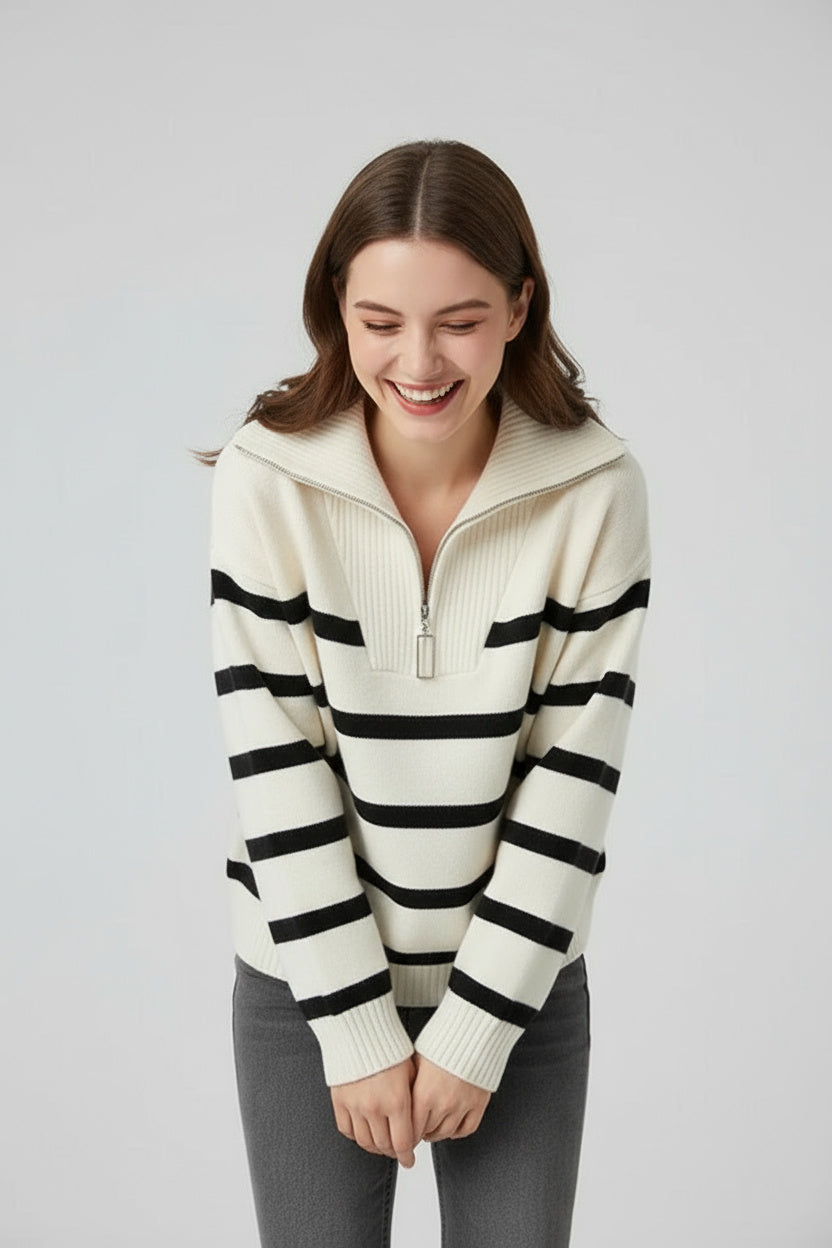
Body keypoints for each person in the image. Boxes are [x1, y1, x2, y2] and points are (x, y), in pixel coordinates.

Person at [201, 138, 651, 1248]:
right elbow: (276, 759)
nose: (418, 360)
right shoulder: (269, 478)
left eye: (459, 320)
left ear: (518, 308)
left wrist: (475, 1033)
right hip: (304, 985)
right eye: (380, 322)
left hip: (517, 991)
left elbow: (571, 779)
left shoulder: (595, 489)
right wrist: (356, 1032)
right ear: (336, 312)